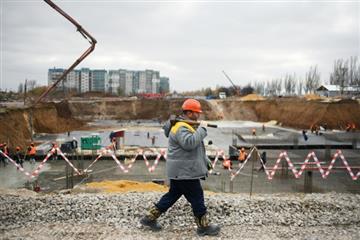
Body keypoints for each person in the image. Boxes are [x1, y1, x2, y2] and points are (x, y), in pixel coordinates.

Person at [140, 98, 220, 236]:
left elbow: (193, 148)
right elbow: (189, 143)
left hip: (180, 170)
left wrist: (204, 159)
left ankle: (149, 218)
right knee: (197, 196)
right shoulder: (181, 127)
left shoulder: (184, 126)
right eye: (196, 112)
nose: (198, 115)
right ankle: (204, 226)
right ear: (189, 113)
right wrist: (202, 128)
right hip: (185, 171)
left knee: (173, 195)